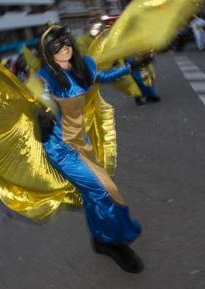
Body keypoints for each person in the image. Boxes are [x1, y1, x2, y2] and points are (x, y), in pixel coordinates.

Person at [36, 25, 143, 273]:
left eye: (66, 43)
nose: (64, 49)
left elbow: (101, 78)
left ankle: (100, 239)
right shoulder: (45, 78)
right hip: (60, 148)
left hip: (82, 142)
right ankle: (112, 240)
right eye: (57, 47)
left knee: (92, 193)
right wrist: (44, 112)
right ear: (48, 53)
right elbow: (42, 97)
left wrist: (129, 67)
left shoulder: (82, 67)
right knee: (104, 189)